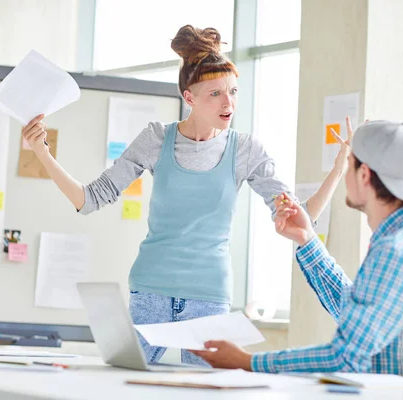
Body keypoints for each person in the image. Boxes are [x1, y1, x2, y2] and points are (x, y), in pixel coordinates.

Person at [21, 25, 344, 366]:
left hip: (209, 298)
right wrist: (42, 153)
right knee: (125, 387)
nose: (229, 102)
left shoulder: (246, 149)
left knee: (202, 391)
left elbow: (301, 217)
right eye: (216, 94)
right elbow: (89, 200)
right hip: (149, 293)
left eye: (233, 91)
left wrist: (338, 169)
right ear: (189, 98)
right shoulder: (156, 139)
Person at [191, 120, 403, 377]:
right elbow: (358, 316)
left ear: (363, 174)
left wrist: (248, 361)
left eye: (349, 164)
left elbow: (344, 357)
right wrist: (307, 238)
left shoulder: (393, 251)